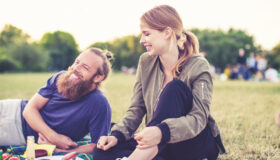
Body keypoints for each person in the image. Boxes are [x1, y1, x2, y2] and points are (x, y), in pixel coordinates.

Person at [93, 5, 225, 160]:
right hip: (159, 145)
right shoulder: (146, 62)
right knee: (102, 151)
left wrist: (161, 131)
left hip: (193, 145)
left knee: (174, 88)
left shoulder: (199, 65)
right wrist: (117, 135)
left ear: (167, 33)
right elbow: (136, 108)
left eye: (146, 34)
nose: (142, 40)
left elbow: (199, 119)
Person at [0, 48, 113, 154]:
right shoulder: (60, 77)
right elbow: (29, 110)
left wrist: (60, 151)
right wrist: (53, 137)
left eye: (85, 67)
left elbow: (96, 145)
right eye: (77, 62)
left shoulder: (99, 104)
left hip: (18, 132)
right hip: (13, 108)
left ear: (98, 77)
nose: (75, 68)